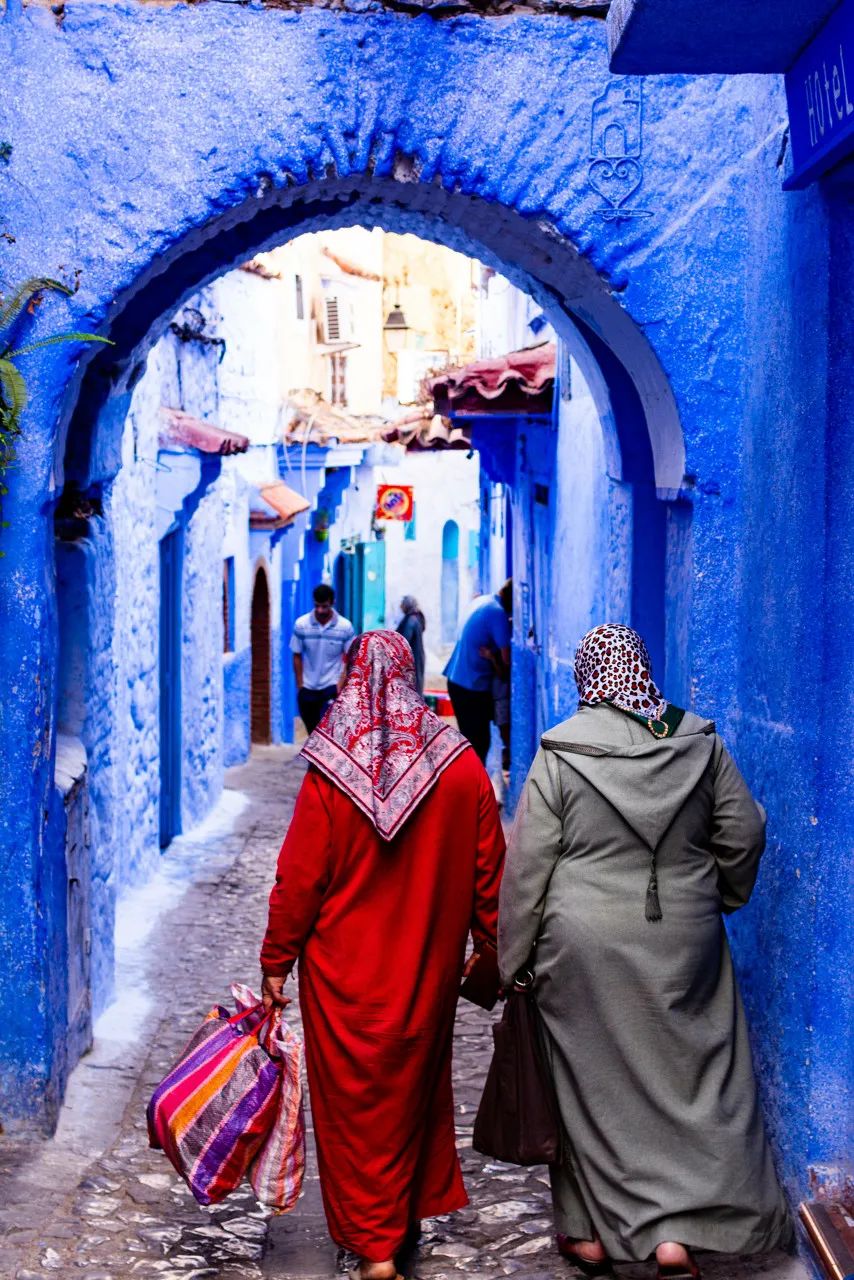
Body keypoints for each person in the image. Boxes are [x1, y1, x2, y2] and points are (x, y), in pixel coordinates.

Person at [498, 623, 791, 1280]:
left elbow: (529, 868)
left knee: (589, 1087)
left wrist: (512, 961)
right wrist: (718, 894)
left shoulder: (562, 751)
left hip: (582, 947)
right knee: (690, 1080)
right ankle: (673, 1239)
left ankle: (591, 1235)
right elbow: (746, 828)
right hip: (685, 936)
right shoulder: (694, 739)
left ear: (588, 678)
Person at [260, 630, 505, 1280]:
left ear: (349, 675)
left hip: (343, 984)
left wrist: (276, 961)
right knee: (413, 1094)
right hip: (424, 977)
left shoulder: (332, 770)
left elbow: (298, 878)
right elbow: (491, 879)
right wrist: (495, 948)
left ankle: (374, 1249)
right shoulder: (459, 767)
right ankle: (394, 1228)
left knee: (354, 1110)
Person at [443, 579, 511, 763]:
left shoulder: (482, 601)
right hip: (472, 687)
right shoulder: (498, 614)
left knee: (471, 740)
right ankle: (473, 787)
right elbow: (507, 661)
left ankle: (470, 784)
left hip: (457, 680)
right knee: (479, 742)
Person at [290, 584, 355, 734]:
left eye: (324, 606)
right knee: (313, 734)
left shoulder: (344, 627)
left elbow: (351, 657)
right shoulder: (302, 625)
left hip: (331, 687)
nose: (320, 611)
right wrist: (300, 685)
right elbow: (297, 654)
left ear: (332, 603)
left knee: (328, 732)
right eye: (317, 606)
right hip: (308, 688)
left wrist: (341, 684)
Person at [396, 595, 426, 694]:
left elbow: (403, 641)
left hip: (411, 660)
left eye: (402, 605)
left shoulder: (410, 620)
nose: (400, 607)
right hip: (416, 658)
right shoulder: (416, 618)